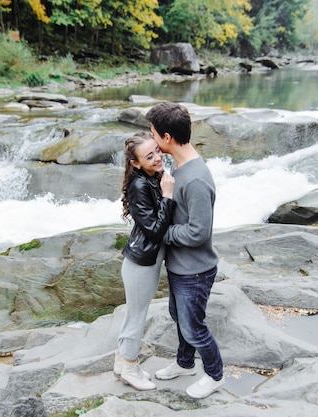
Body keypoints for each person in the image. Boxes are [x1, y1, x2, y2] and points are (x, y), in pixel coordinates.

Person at [145, 102, 225, 399]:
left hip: (195, 270)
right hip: (181, 267)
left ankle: (215, 374)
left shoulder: (196, 178)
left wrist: (163, 232)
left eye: (153, 134)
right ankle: (185, 363)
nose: (151, 140)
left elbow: (198, 231)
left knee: (193, 327)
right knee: (178, 316)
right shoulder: (181, 166)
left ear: (166, 137)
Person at [115, 131, 176, 391]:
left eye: (157, 151)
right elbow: (154, 230)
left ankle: (122, 364)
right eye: (149, 156)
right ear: (136, 163)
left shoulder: (152, 176)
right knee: (138, 316)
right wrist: (168, 196)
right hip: (141, 263)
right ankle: (129, 367)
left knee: (133, 314)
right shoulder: (140, 185)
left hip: (145, 260)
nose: (157, 157)